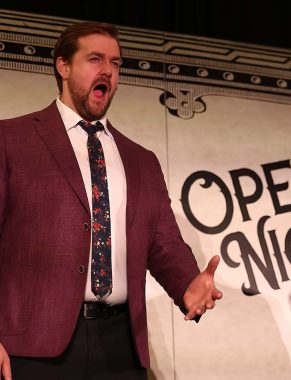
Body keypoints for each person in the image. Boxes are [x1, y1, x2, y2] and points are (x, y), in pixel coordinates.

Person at [0, 22, 222, 379]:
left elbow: (162, 242)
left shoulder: (141, 159)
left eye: (115, 63)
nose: (107, 70)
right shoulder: (11, 139)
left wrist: (187, 284)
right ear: (63, 67)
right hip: (32, 350)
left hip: (121, 349)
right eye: (94, 59)